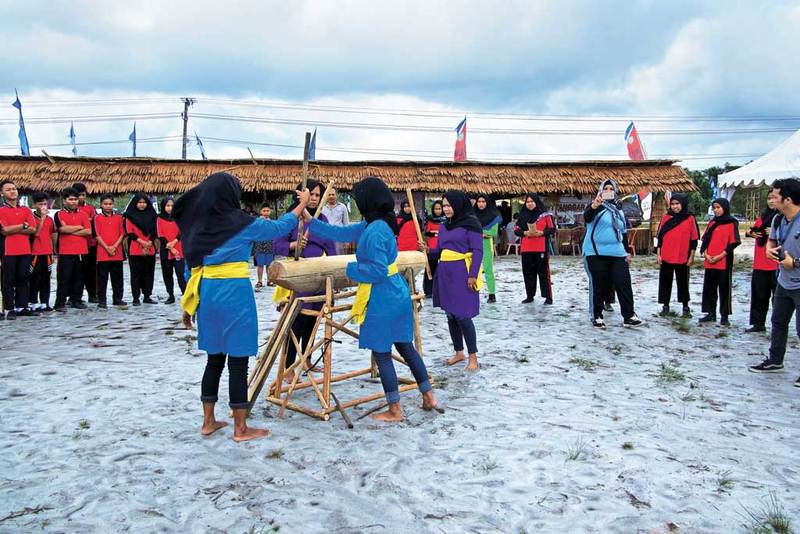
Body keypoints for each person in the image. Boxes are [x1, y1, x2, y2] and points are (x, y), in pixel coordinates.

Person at [175, 172, 310, 441]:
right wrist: (302, 203)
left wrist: (188, 307)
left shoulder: (197, 226)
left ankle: (208, 421)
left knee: (214, 359)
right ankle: (241, 428)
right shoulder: (241, 223)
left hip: (208, 294)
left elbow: (192, 270)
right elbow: (278, 228)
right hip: (234, 293)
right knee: (238, 361)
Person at [307, 176, 439, 421]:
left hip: (383, 296)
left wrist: (350, 269)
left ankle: (395, 409)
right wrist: (308, 221)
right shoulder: (374, 222)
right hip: (395, 292)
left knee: (382, 351)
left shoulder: (376, 230)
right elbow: (339, 232)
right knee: (405, 346)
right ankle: (429, 396)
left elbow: (377, 270)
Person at [273, 179, 336, 379]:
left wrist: (335, 276)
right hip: (298, 276)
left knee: (313, 320)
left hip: (318, 274)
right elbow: (276, 245)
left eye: (318, 195)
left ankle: (307, 358)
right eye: (312, 194)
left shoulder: (322, 220)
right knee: (296, 322)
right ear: (301, 195)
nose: (314, 198)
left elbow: (331, 248)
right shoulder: (290, 218)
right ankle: (289, 367)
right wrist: (294, 245)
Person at [750, 178, 800, 386]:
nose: (772, 200)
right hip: (784, 281)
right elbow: (773, 240)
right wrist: (770, 249)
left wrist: (794, 262)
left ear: (787, 199)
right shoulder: (778, 219)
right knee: (778, 322)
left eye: (775, 196)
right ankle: (775, 360)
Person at [431, 190, 484, 371]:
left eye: (448, 205)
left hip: (462, 272)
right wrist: (426, 249)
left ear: (458, 205)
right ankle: (459, 352)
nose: (446, 209)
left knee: (463, 315)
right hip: (445, 273)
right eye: (444, 205)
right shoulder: (444, 225)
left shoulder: (471, 224)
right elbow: (439, 250)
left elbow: (478, 251)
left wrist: (472, 275)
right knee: (450, 315)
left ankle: (473, 357)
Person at [582, 179, 644, 328]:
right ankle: (596, 315)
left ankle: (629, 316)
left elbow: (623, 233)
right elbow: (587, 217)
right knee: (598, 285)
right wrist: (595, 204)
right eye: (606, 188)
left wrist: (627, 252)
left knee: (624, 283)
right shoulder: (595, 207)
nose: (608, 191)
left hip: (617, 253)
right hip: (596, 253)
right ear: (601, 191)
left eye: (611, 188)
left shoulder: (618, 211)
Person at [655, 193, 699, 318]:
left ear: (683, 204)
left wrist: (691, 257)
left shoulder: (690, 218)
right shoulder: (666, 218)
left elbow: (693, 240)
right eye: (673, 204)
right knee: (665, 282)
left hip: (682, 257)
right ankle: (665, 306)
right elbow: (660, 238)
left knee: (683, 283)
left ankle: (685, 307)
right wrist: (658, 254)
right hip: (666, 256)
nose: (675, 207)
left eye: (677, 204)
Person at [698, 198, 740, 325]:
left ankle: (724, 315)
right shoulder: (712, 223)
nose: (716, 210)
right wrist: (706, 254)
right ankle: (710, 313)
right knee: (709, 288)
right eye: (714, 208)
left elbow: (734, 242)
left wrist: (720, 256)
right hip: (710, 260)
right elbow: (705, 239)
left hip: (723, 261)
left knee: (724, 289)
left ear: (725, 208)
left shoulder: (732, 222)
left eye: (718, 207)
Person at [0, 179, 37, 319]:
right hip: (8, 250)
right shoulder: (1, 210)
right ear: (2, 193)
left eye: (14, 188)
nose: (12, 191)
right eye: (8, 189)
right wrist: (23, 226)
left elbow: (33, 229)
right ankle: (9, 309)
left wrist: (18, 227)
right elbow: (5, 230)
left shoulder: (26, 210)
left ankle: (22, 306)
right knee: (8, 280)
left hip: (25, 250)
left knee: (23, 278)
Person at [745, 190, 779, 332]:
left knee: (778, 299)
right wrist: (751, 233)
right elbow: (751, 230)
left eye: (775, 198)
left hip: (777, 263)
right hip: (760, 262)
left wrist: (775, 231)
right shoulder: (763, 216)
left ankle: (778, 326)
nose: (771, 201)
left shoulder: (785, 218)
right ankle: (758, 324)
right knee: (759, 295)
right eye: (769, 198)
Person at [54, 187, 92, 311]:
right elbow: (62, 229)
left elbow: (88, 231)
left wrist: (71, 229)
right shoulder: (59, 214)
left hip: (81, 251)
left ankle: (76, 300)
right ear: (64, 201)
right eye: (71, 199)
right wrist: (79, 227)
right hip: (66, 252)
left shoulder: (83, 214)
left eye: (75, 199)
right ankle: (60, 303)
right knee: (64, 278)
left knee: (79, 278)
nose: (74, 202)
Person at [515, 193, 555, 304]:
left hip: (541, 248)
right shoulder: (522, 215)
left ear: (536, 202)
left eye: (532, 201)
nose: (530, 204)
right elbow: (516, 229)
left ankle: (548, 297)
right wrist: (524, 232)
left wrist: (542, 233)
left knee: (543, 273)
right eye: (527, 202)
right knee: (528, 273)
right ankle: (530, 296)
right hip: (526, 249)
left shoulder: (545, 215)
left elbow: (552, 229)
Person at [123, 193, 158, 305]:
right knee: (136, 273)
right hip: (135, 247)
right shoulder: (129, 216)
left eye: (144, 203)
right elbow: (129, 232)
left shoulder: (153, 215)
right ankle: (136, 298)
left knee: (149, 273)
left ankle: (147, 296)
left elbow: (155, 231)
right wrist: (143, 243)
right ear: (135, 203)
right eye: (139, 202)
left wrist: (149, 243)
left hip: (150, 247)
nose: (142, 205)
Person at [93, 193, 126, 308]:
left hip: (117, 252)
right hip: (103, 253)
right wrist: (107, 247)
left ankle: (117, 298)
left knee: (117, 277)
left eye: (110, 204)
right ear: (101, 205)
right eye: (105, 204)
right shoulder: (97, 218)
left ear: (113, 204)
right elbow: (96, 235)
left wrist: (115, 247)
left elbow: (122, 233)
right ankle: (102, 300)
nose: (108, 206)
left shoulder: (119, 217)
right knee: (102, 278)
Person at [29, 192, 57, 312]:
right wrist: (42, 218)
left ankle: (45, 302)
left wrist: (54, 251)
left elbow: (52, 234)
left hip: (47, 253)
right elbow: (35, 232)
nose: (43, 207)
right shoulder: (31, 218)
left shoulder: (50, 220)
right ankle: (33, 302)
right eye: (40, 204)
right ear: (35, 205)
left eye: (45, 204)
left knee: (46, 278)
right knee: (34, 278)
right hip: (34, 253)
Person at [157, 196, 186, 304]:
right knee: (167, 274)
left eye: (172, 206)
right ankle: (171, 295)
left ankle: (185, 294)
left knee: (181, 274)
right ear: (163, 206)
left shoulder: (179, 217)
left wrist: (173, 244)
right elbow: (160, 234)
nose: (170, 208)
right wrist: (170, 247)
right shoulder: (159, 218)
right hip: (165, 250)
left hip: (178, 249)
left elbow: (182, 231)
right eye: (167, 206)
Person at [73, 182, 98, 303]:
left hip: (91, 244)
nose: (81, 198)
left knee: (91, 271)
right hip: (76, 245)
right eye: (78, 195)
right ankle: (74, 296)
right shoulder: (70, 210)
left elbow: (95, 224)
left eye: (83, 195)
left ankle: (93, 294)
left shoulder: (90, 208)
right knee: (76, 272)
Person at [474, 193, 501, 303]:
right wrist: (482, 233)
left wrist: (479, 233)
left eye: (483, 202)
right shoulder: (471, 215)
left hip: (486, 245)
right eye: (479, 202)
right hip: (473, 245)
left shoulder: (493, 216)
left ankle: (492, 294)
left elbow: (493, 232)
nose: (481, 204)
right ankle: (474, 292)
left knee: (488, 269)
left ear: (487, 202)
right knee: (473, 269)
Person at [423, 200, 446, 297]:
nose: (437, 211)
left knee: (442, 270)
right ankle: (429, 291)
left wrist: (436, 233)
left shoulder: (446, 220)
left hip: (443, 247)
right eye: (436, 209)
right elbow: (426, 233)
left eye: (439, 209)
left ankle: (441, 290)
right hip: (432, 247)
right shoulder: (430, 219)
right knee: (430, 269)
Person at [320, 187, 350, 255]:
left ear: (336, 195)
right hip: (326, 238)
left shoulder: (342, 207)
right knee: (328, 258)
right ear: (326, 196)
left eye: (333, 194)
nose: (331, 196)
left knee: (340, 258)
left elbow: (346, 224)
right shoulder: (322, 208)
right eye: (329, 194)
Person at [252, 204, 275, 290]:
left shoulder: (272, 222)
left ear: (270, 211)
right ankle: (260, 281)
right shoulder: (257, 221)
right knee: (260, 264)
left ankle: (269, 280)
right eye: (264, 211)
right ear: (260, 212)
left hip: (269, 245)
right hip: (259, 245)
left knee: (269, 264)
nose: (266, 212)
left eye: (267, 211)